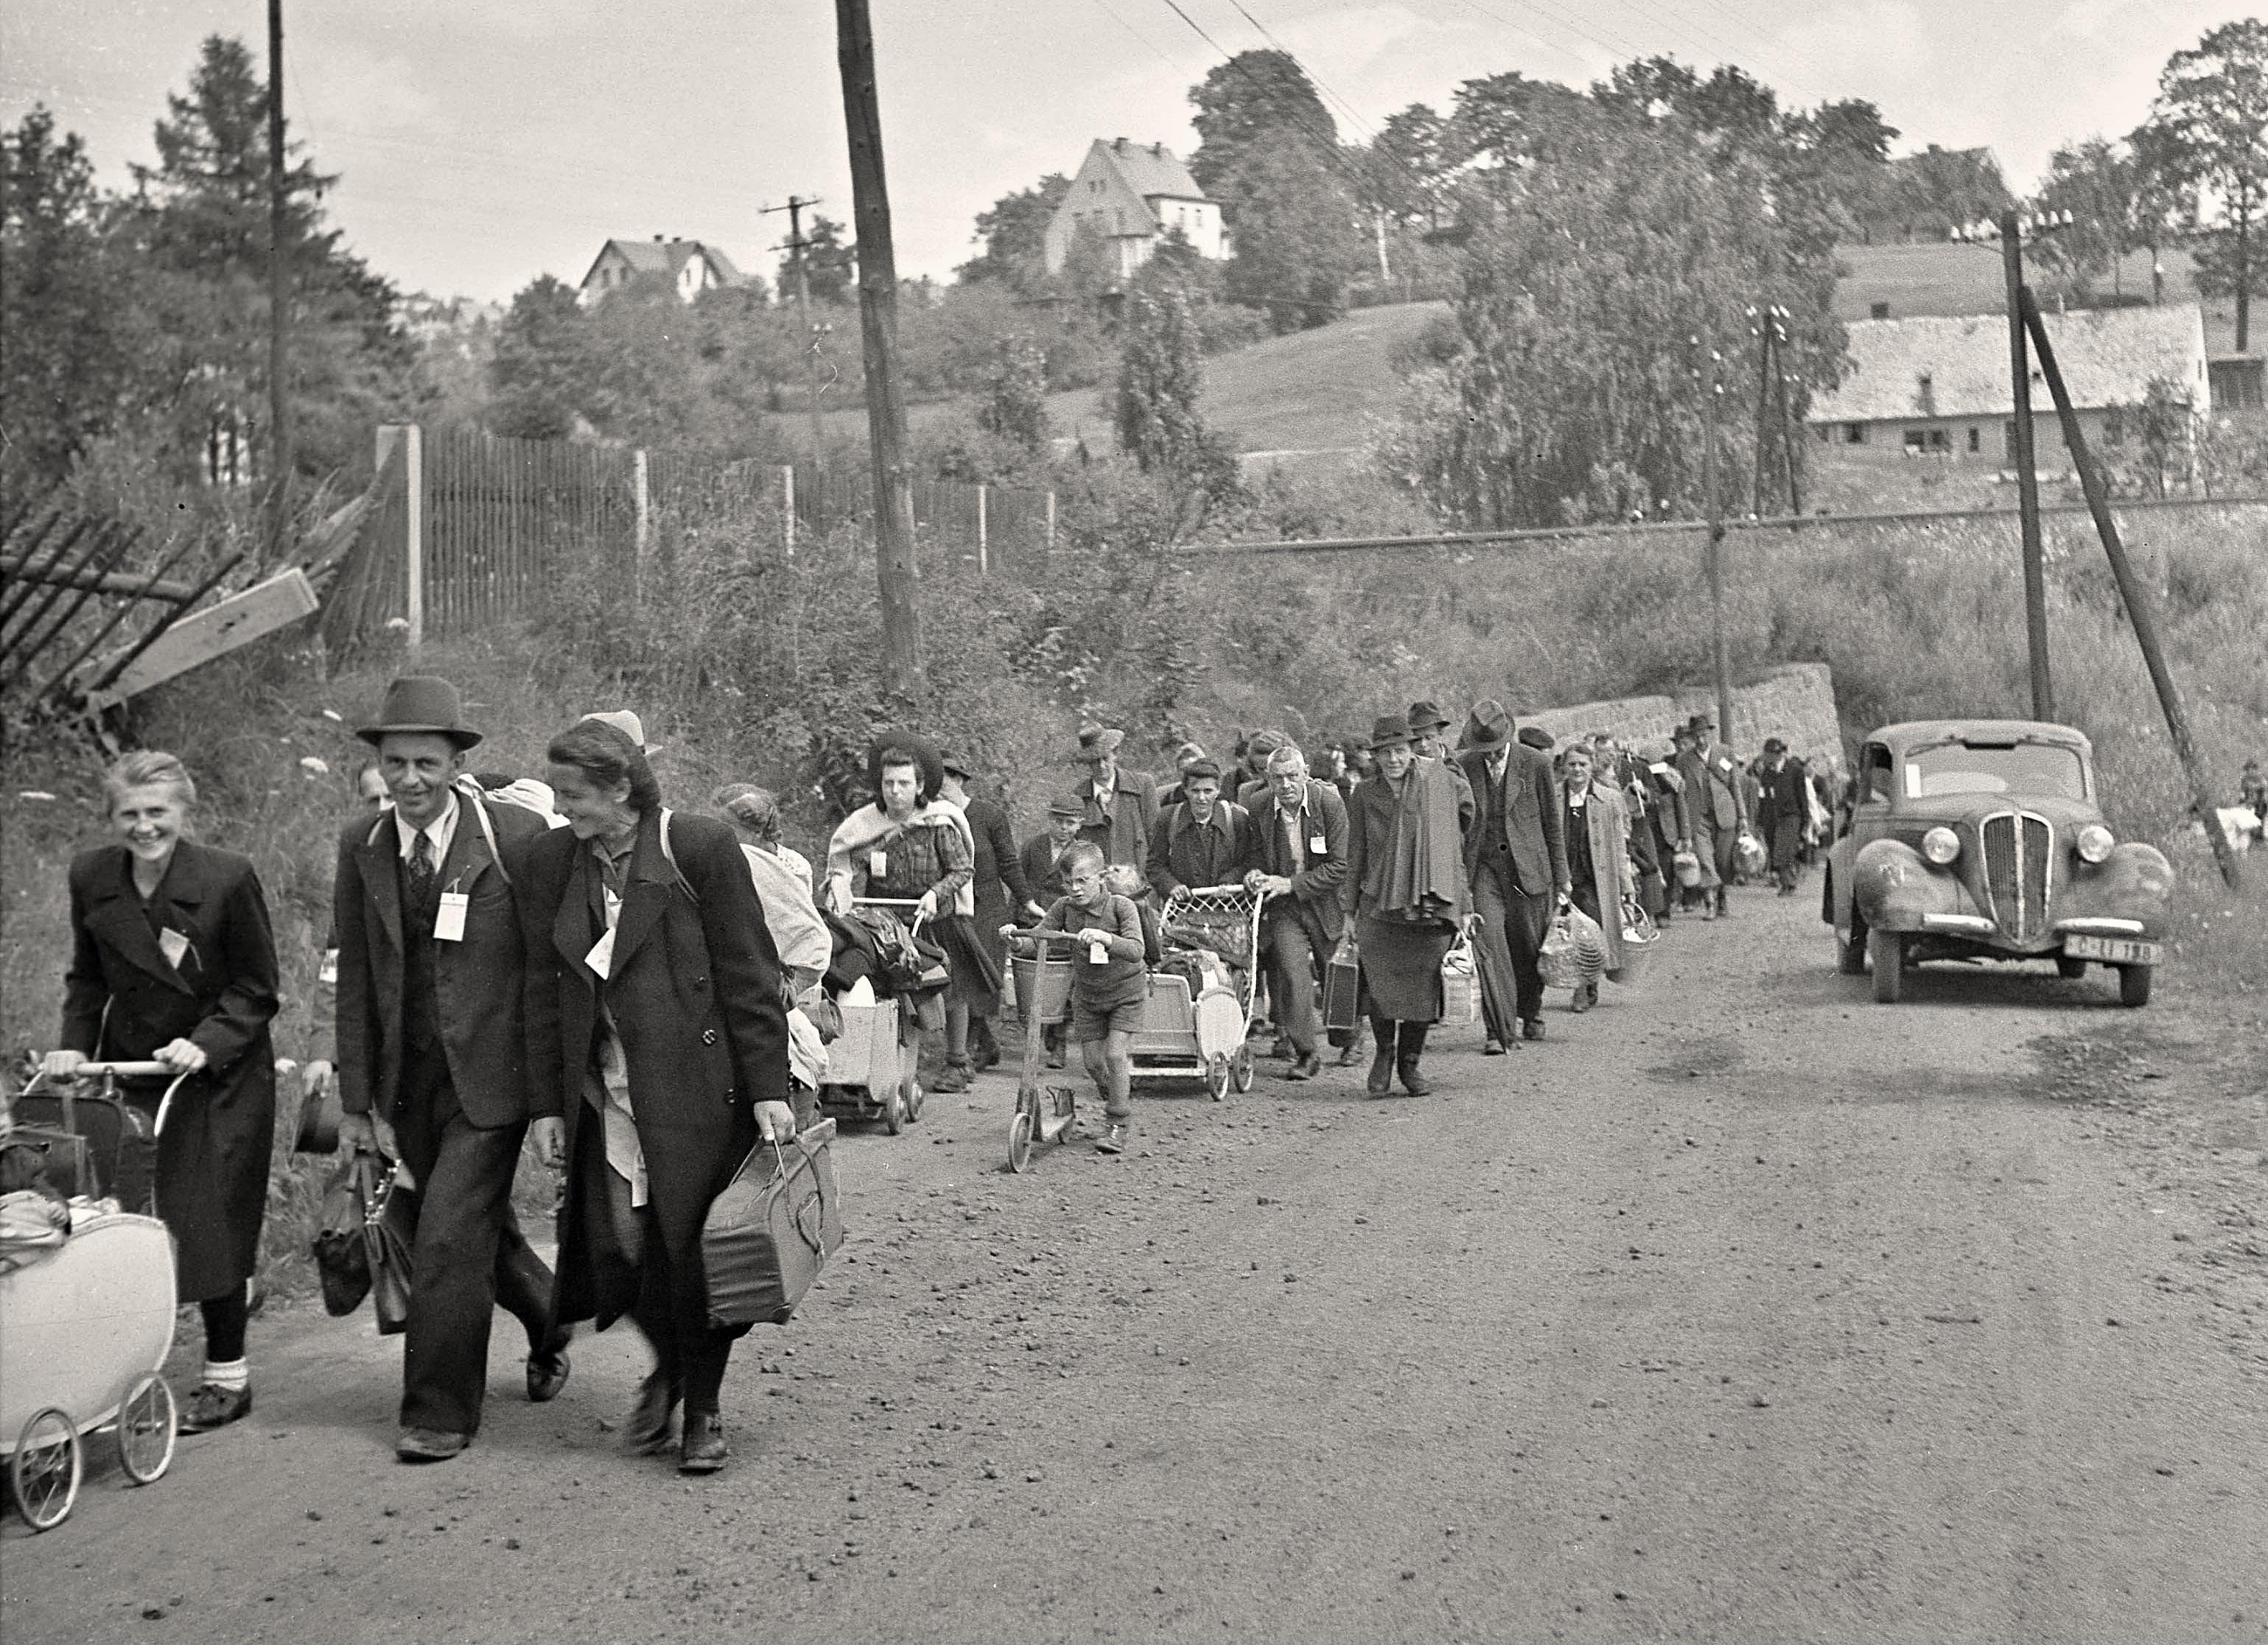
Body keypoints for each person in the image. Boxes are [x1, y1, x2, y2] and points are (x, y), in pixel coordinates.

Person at [522, 718, 796, 1476]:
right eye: (557, 794)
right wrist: (547, 1105)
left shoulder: (698, 847)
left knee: (695, 1256)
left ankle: (702, 1406)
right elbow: (541, 990)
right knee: (618, 1251)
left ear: (621, 789)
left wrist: (769, 1090)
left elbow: (750, 973)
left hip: (698, 1091)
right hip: (608, 1095)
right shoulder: (554, 861)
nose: (561, 807)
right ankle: (672, 1364)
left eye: (574, 795)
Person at [329, 676, 569, 1463]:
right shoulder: (362, 845)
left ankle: (439, 1410)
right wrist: (356, 1101)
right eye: (395, 763)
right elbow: (356, 977)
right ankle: (549, 1315)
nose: (409, 780)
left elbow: (547, 969)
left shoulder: (514, 836)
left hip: (492, 1082)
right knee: (470, 1233)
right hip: (409, 1085)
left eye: (426, 763)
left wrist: (549, 1096)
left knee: (446, 1238)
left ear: (458, 762)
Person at [45, 750, 279, 1433]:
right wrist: (73, 1045)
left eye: (157, 812)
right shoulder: (92, 876)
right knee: (124, 1216)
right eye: (130, 814)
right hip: (134, 1067)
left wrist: (205, 1042)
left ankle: (228, 1374)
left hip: (219, 1072)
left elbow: (257, 987)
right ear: (111, 817)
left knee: (210, 1215)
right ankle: (115, 1370)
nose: (144, 827)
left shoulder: (227, 877)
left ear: (184, 811)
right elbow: (88, 978)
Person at [825, 737, 996, 1095]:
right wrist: (842, 889)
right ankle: (887, 1062)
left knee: (949, 989)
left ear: (919, 787)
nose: (895, 791)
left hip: (934, 917)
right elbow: (845, 864)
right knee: (888, 987)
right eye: (888, 783)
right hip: (884, 920)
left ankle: (958, 1061)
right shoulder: (865, 825)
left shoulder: (939, 822)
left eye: (903, 783)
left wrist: (936, 893)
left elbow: (963, 870)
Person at [1340, 715, 1469, 1097]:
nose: (1393, 760)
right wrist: (1348, 912)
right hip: (1379, 905)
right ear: (1375, 757)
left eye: (1399, 751)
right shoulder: (1364, 794)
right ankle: (1384, 1054)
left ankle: (1410, 1063)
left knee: (1422, 987)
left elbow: (1456, 848)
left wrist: (1465, 905)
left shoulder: (1438, 785)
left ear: (1412, 750)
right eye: (1385, 753)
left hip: (1429, 904)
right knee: (1380, 985)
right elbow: (1355, 852)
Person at [1005, 841, 1148, 1154]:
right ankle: (1114, 1091)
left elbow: (1137, 950)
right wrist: (1016, 941)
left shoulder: (1122, 907)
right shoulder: (1063, 908)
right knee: (1094, 1063)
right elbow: (1039, 938)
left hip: (1126, 993)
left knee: (1115, 1055)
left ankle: (1117, 1123)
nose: (1075, 889)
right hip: (1087, 996)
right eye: (1068, 882)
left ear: (1101, 877)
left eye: (1083, 881)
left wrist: (1106, 938)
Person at [1456, 700, 1570, 1053]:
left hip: (1529, 870)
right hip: (1484, 869)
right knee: (1489, 942)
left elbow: (1552, 824)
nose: (1490, 756)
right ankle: (1499, 1030)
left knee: (1527, 945)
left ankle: (1530, 1010)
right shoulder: (1465, 766)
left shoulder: (1535, 764)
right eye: (1484, 750)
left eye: (1495, 749)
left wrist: (1562, 877)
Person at [1239, 744, 1351, 1080]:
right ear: (1268, 778)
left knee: (1336, 972)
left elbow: (1340, 866)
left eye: (1292, 776)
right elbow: (1253, 855)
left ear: (1305, 774)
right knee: (1292, 974)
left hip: (1326, 901)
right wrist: (1254, 874)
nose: (1285, 785)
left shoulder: (1328, 803)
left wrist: (1291, 883)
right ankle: (1306, 1052)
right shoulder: (1258, 806)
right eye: (1277, 778)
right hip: (1284, 907)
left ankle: (1348, 1038)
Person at [938, 752, 1034, 1072]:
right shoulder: (934, 817)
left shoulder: (989, 815)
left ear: (959, 780)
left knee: (983, 977)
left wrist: (1027, 901)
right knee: (959, 976)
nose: (938, 788)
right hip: (954, 909)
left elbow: (1008, 862)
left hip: (989, 908)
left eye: (944, 780)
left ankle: (973, 1046)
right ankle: (978, 1045)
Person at [713, 785, 830, 995]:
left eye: (727, 827)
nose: (719, 834)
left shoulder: (794, 866)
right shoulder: (726, 859)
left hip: (791, 971)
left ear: (756, 831)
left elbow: (790, 922)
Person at [1558, 743, 1635, 1014]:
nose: (1577, 770)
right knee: (1562, 934)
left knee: (1589, 934)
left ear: (1592, 767)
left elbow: (1619, 846)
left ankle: (1585, 986)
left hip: (1594, 881)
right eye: (1572, 764)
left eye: (1583, 764)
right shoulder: (1553, 797)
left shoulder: (1609, 799)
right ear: (1564, 767)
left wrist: (1626, 884)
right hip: (1562, 879)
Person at [1147, 758, 1250, 904]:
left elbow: (1249, 861)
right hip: (1183, 905)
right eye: (1195, 791)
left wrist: (1230, 881)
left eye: (1208, 791)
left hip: (1228, 904)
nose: (1202, 798)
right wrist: (1172, 886)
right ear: (1185, 790)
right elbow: (1155, 864)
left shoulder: (1236, 819)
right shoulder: (1169, 818)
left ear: (1218, 791)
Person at [1676, 715, 1747, 919]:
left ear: (1710, 734)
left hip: (1725, 814)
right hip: (1699, 818)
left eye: (1704, 735)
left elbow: (1735, 785)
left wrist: (1742, 816)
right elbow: (1681, 796)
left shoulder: (1725, 753)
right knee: (1705, 860)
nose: (1701, 740)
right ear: (1692, 737)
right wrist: (1685, 829)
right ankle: (1710, 903)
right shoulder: (1684, 760)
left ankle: (1722, 896)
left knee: (1723, 861)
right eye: (1696, 737)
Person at [1074, 723, 1159, 873]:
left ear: (1115, 754)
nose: (1101, 766)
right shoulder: (1078, 797)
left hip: (1139, 879)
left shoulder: (1143, 785)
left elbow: (1157, 839)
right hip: (1099, 881)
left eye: (1105, 758)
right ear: (1088, 762)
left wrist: (1152, 877)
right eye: (1095, 761)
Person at [1406, 700, 1477, 827]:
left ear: (1440, 734)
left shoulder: (1461, 763)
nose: (1423, 744)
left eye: (1429, 737)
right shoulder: (1406, 768)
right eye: (1417, 739)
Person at [1753, 737, 1809, 897]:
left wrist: (1805, 819)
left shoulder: (1795, 770)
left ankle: (1788, 884)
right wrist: (1760, 822)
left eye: (1768, 755)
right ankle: (1789, 881)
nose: (1766, 759)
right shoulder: (1766, 774)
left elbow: (1802, 796)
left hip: (1791, 816)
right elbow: (1763, 799)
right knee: (1777, 851)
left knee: (1784, 851)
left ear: (1777, 755)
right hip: (1773, 818)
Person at [1156, 742, 1212, 813]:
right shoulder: (1164, 798)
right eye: (1183, 770)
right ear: (1177, 771)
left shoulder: (1217, 796)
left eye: (1193, 769)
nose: (1188, 774)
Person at [2241, 757, 2267, 825]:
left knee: (2260, 821)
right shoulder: (2245, 779)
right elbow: (2243, 792)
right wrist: (2245, 801)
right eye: (2248, 770)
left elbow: (2264, 789)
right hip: (2249, 804)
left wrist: (2255, 787)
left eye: (2252, 769)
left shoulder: (2260, 778)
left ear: (2256, 769)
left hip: (2260, 804)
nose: (2250, 771)